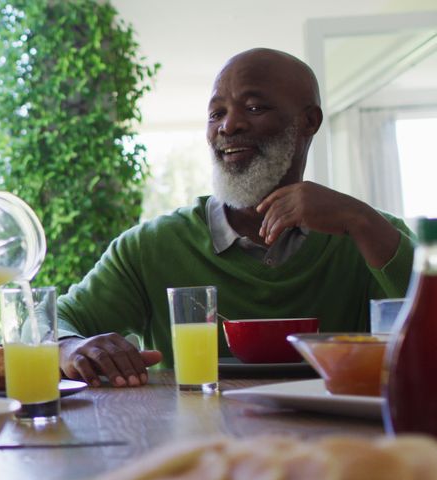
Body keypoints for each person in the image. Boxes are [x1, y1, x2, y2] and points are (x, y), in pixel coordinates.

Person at [56, 48, 414, 388]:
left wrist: (362, 221)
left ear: (309, 121)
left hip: (334, 441)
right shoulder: (150, 247)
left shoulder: (368, 235)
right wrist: (69, 347)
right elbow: (48, 323)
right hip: (195, 440)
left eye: (255, 107)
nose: (229, 126)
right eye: (216, 114)